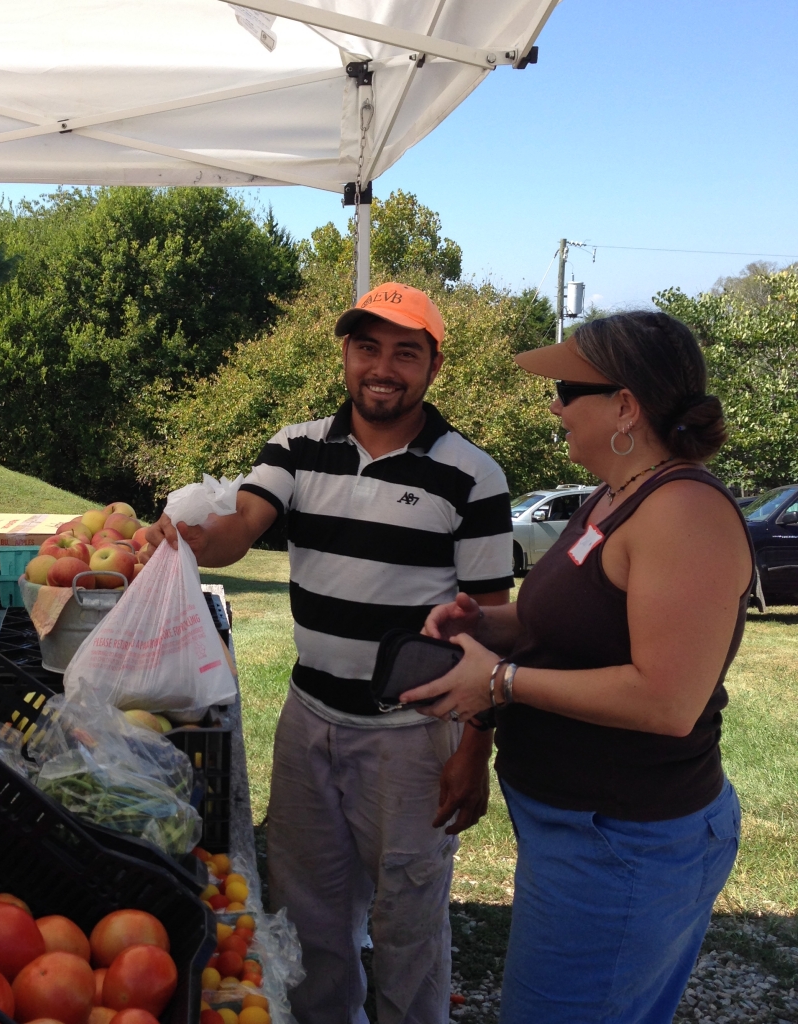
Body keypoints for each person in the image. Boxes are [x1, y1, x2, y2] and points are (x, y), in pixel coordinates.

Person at [146, 282, 514, 1024]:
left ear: (434, 366)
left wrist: (475, 751)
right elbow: (240, 527)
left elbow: (491, 627)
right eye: (367, 348)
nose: (382, 368)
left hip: (413, 737)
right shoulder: (296, 446)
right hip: (308, 720)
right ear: (345, 355)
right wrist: (189, 538)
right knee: (310, 916)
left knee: (409, 923)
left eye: (405, 353)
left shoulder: (473, 475)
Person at [401, 311, 753, 1024]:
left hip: (624, 839)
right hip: (581, 827)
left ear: (626, 405)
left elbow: (666, 701)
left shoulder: (683, 511)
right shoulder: (615, 494)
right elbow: (571, 620)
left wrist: (498, 682)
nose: (555, 408)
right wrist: (483, 623)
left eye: (566, 391)